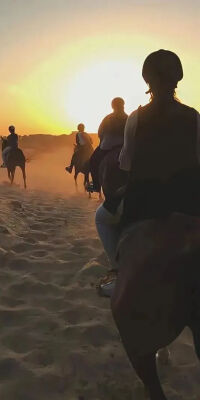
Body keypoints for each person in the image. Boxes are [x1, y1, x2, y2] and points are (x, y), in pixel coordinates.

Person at [95, 49, 200, 296]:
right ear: (177, 80)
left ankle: (119, 273)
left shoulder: (136, 117)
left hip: (146, 200)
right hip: (187, 199)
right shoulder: (193, 116)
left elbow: (126, 165)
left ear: (148, 81)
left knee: (101, 218)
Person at [90, 98, 128, 192]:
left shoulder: (108, 117)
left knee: (93, 161)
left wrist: (102, 140)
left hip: (108, 145)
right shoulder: (128, 117)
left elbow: (100, 132)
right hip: (125, 146)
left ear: (113, 106)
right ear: (123, 105)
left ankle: (96, 185)